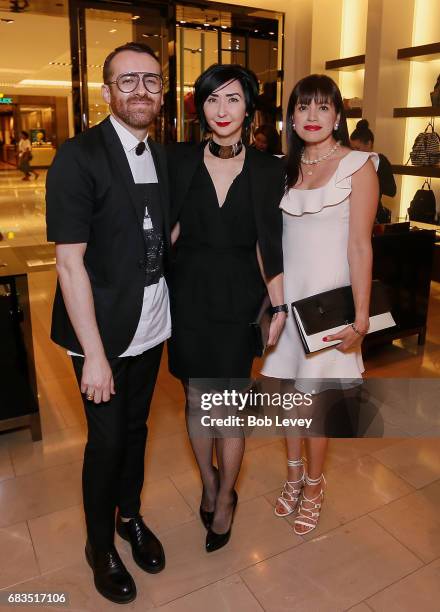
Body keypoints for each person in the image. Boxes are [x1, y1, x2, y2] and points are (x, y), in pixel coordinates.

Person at [46, 42, 170, 604]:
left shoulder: (162, 155)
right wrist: (93, 355)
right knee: (107, 440)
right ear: (106, 92)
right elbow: (69, 263)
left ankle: (130, 517)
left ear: (163, 91)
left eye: (151, 80)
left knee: (138, 431)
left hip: (150, 326)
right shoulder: (79, 155)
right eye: (127, 81)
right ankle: (100, 546)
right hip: (99, 333)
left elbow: (158, 235)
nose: (140, 90)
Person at [167, 64, 286, 553]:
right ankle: (210, 483)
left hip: (239, 299)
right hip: (188, 295)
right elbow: (165, 230)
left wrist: (278, 306)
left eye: (233, 99)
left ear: (248, 109)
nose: (222, 109)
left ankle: (227, 498)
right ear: (201, 109)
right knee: (198, 401)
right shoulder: (177, 161)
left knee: (229, 409)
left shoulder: (268, 169)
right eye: (213, 99)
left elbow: (268, 245)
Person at [262, 74, 379, 535]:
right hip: (286, 305)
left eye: (323, 107)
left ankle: (314, 485)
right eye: (303, 107)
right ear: (290, 116)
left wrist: (362, 317)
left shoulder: (359, 166)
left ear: (337, 116)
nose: (312, 117)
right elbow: (267, 242)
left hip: (329, 307)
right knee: (291, 399)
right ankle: (293, 476)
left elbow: (360, 248)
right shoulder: (279, 169)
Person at [350, 119, 396, 223]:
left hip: (373, 217)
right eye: (352, 149)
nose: (354, 152)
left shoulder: (380, 161)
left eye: (357, 148)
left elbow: (391, 190)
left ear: (369, 144)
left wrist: (371, 178)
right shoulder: (349, 161)